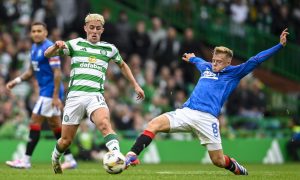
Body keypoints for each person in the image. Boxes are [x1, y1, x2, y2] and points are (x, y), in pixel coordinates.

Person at [125, 28, 289, 175]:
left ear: (228, 62)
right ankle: (132, 156)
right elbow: (198, 61)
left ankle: (236, 168)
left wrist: (279, 46)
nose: (215, 63)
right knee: (154, 124)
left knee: (218, 161)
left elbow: (256, 60)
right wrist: (192, 58)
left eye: (219, 61)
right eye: (214, 59)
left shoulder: (234, 73)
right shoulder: (206, 66)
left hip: (207, 119)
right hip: (187, 112)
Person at [44, 13, 145, 174]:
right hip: (75, 97)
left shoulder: (109, 49)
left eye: (98, 28)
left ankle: (117, 158)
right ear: (85, 28)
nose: (94, 31)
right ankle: (55, 158)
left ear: (102, 30)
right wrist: (56, 46)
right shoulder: (75, 44)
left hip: (95, 96)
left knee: (105, 124)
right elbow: (47, 54)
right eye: (91, 28)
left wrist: (135, 85)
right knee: (65, 141)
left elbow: (123, 65)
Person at [5, 22, 77, 170]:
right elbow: (31, 72)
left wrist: (56, 96)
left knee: (34, 122)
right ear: (31, 34)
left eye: (39, 31)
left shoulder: (49, 47)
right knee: (55, 126)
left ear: (45, 33)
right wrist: (16, 81)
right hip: (46, 91)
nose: (36, 33)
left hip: (50, 92)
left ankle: (25, 160)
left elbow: (58, 73)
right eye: (34, 31)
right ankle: (70, 159)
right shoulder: (34, 48)